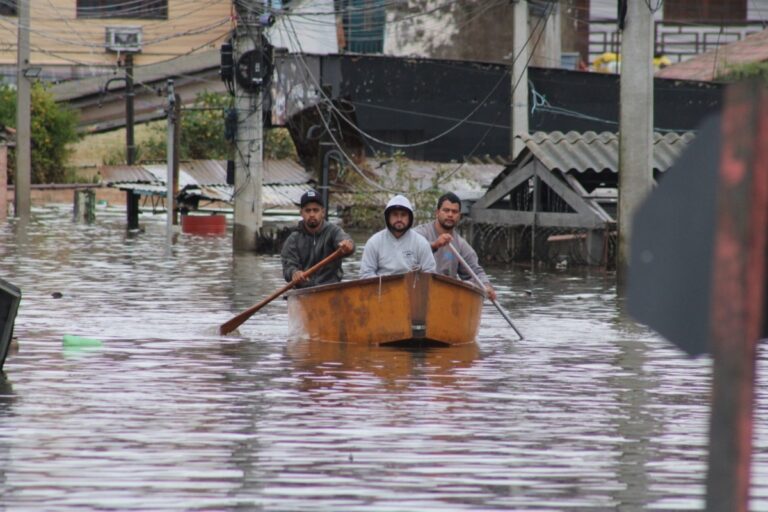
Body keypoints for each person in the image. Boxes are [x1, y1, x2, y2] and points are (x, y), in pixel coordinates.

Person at [413, 192, 497, 300]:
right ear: (437, 213)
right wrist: (434, 245)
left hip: (445, 297)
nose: (450, 215)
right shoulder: (419, 233)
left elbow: (475, 272)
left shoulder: (461, 245)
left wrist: (486, 285)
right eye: (446, 210)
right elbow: (408, 250)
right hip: (418, 293)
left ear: (459, 216)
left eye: (454, 211)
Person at [281, 190, 355, 288]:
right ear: (301, 213)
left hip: (330, 289)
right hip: (304, 291)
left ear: (323, 212)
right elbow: (288, 267)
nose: (312, 214)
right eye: (308, 210)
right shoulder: (293, 239)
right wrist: (294, 273)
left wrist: (348, 245)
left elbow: (345, 241)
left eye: (315, 210)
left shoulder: (333, 231)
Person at [359, 194, 436, 278]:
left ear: (410, 218)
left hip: (413, 286)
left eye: (403, 215)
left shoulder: (421, 243)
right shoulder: (374, 242)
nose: (399, 219)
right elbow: (365, 274)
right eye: (395, 214)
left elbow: (430, 273)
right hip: (382, 286)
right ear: (388, 217)